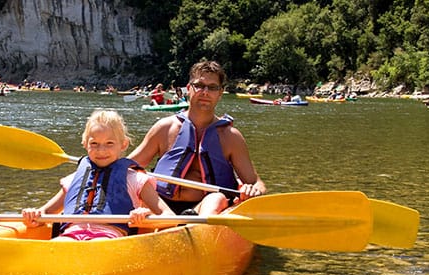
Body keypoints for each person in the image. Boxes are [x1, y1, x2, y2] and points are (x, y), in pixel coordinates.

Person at [127, 60, 266, 216]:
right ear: (188, 89)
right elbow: (127, 167)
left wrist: (253, 190)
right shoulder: (165, 128)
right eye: (199, 86)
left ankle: (199, 230)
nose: (205, 92)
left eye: (212, 87)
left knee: (215, 199)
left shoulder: (231, 137)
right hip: (162, 207)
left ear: (220, 93)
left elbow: (256, 182)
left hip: (207, 208)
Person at [22, 109, 175, 240]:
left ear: (123, 144)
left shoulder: (136, 180)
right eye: (94, 144)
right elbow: (45, 213)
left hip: (108, 239)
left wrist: (145, 217)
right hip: (70, 237)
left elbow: (170, 217)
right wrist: (33, 215)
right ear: (85, 143)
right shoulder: (74, 179)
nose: (101, 150)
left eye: (109, 143)